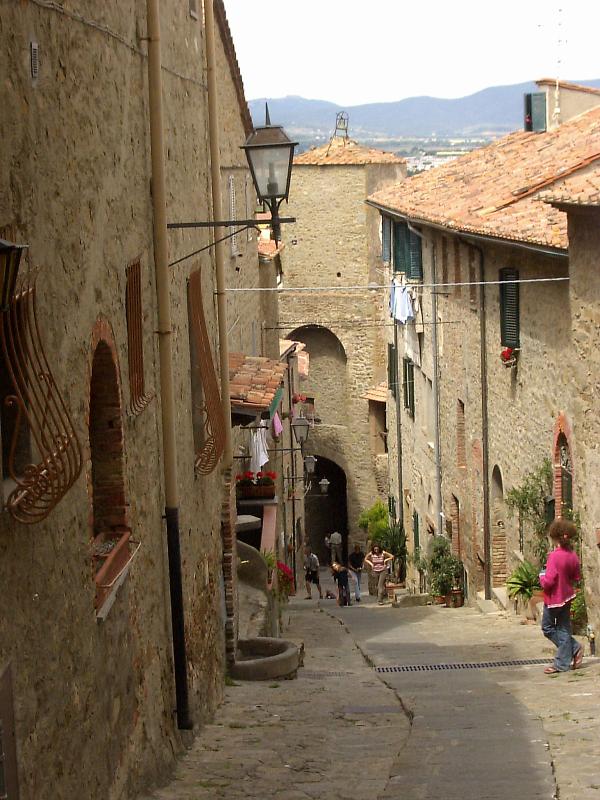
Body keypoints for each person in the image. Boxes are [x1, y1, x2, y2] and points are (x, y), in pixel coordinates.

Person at [539, 518, 584, 674]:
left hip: (554, 599)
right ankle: (572, 651)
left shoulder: (554, 556)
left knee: (548, 628)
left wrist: (541, 577)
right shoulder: (572, 556)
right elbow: (576, 577)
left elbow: (549, 581)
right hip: (567, 596)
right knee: (564, 628)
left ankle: (564, 660)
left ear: (555, 537)